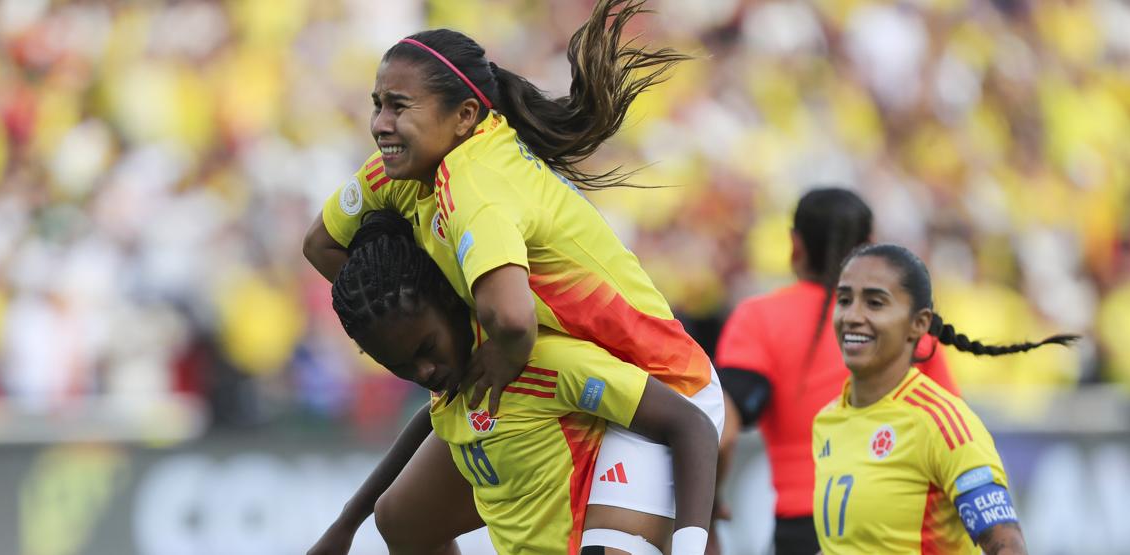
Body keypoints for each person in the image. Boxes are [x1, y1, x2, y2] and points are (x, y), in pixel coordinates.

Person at [302, 0, 725, 551]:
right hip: (557, 366)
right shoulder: (406, 171)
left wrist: (488, 344)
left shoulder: (476, 183)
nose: (381, 123)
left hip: (657, 384)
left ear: (464, 117)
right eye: (377, 104)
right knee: (404, 521)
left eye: (399, 106)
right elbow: (321, 245)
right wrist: (414, 298)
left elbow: (511, 320)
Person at [307, 210, 717, 554]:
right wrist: (347, 523)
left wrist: (691, 546)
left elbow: (691, 424)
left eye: (426, 348)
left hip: (595, 534)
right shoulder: (453, 382)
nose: (424, 372)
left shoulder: (544, 362)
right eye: (401, 365)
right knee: (395, 518)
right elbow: (436, 420)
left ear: (450, 302)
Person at [712, 188, 958, 554]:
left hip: (805, 526)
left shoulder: (759, 319)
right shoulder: (904, 323)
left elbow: (724, 433)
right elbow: (952, 436)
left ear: (795, 245)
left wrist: (710, 505)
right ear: (872, 247)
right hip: (898, 526)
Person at [812, 243, 1075, 554]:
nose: (852, 315)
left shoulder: (941, 422)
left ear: (919, 324)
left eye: (875, 303)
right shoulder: (828, 420)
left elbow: (1007, 545)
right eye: (844, 300)